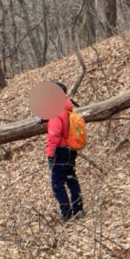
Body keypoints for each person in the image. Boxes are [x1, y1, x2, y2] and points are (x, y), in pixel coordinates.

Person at [45, 80, 84, 221]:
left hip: (60, 151)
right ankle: (78, 209)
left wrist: (49, 155)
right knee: (71, 178)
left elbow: (53, 136)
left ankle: (66, 213)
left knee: (57, 185)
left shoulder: (56, 111)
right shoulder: (68, 107)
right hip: (71, 149)